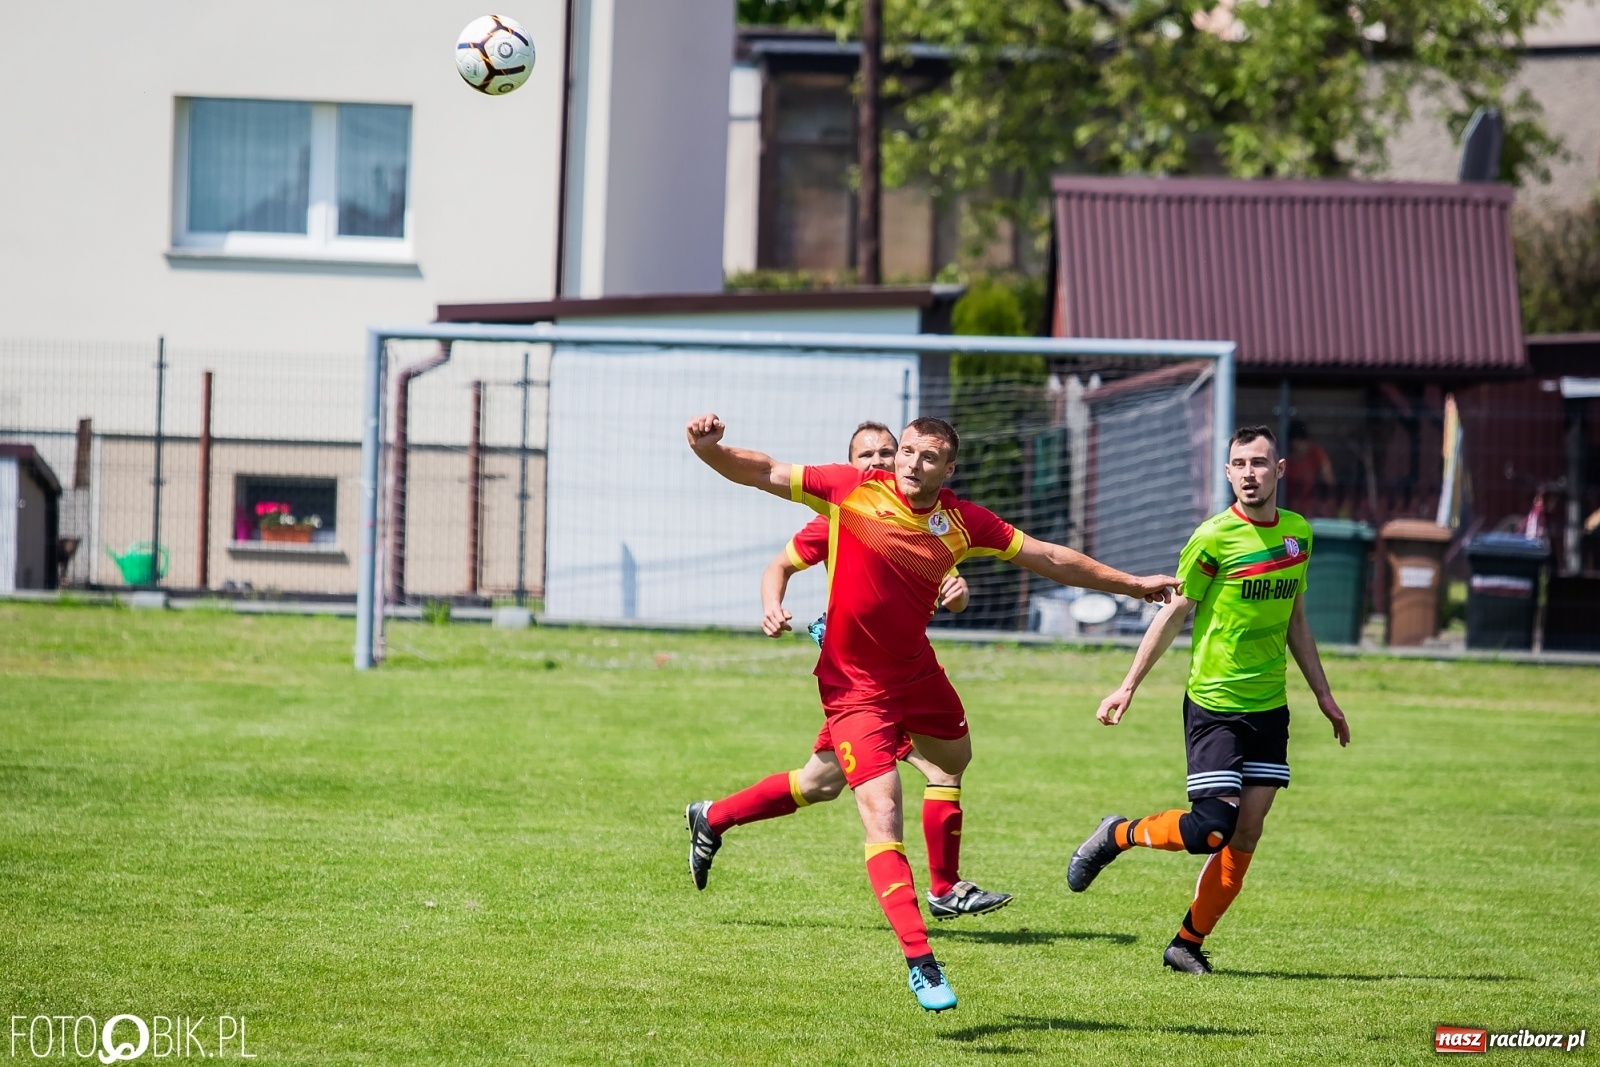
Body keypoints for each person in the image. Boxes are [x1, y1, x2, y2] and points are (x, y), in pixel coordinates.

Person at [683, 412, 1176, 1011]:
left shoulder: (964, 522)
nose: (910, 463)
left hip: (916, 678)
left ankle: (712, 817)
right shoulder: (847, 490)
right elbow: (761, 470)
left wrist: (1130, 585)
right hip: (853, 689)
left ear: (949, 467)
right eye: (905, 452)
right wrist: (711, 451)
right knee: (882, 809)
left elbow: (1047, 556)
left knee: (879, 773)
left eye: (926, 455)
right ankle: (922, 956)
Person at [687, 421, 1012, 924]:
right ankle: (945, 890)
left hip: (901, 673)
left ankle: (713, 817)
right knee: (933, 770)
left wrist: (959, 594)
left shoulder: (928, 518)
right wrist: (772, 606)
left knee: (820, 782)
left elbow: (951, 581)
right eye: (868, 454)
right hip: (856, 680)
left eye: (888, 451)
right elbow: (779, 564)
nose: (880, 462)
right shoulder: (839, 512)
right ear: (850, 461)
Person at [1065, 425, 1351, 975]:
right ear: (1227, 473)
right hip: (1216, 706)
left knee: (1247, 832)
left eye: (1259, 463)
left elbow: (1295, 618)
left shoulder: (1298, 536)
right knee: (1212, 827)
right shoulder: (1213, 537)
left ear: (1279, 470)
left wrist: (1324, 694)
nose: (1249, 473)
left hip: (1270, 708)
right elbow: (1172, 612)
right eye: (1239, 464)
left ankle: (1186, 944)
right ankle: (1117, 833)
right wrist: (1127, 685)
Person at [1282, 419, 1335, 507]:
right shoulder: (1283, 458)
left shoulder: (1315, 452)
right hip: (1287, 504)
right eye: (1297, 444)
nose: (1302, 447)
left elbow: (1329, 479)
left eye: (1303, 442)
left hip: (1311, 505)